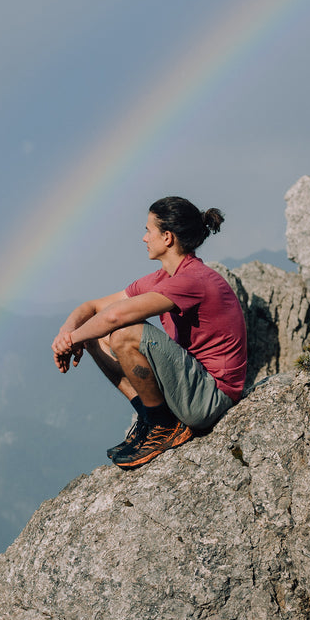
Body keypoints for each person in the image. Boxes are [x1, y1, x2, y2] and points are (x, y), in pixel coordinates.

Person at [52, 197, 247, 469]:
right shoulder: (162, 279)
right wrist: (66, 333)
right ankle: (149, 418)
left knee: (123, 333)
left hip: (211, 398)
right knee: (96, 334)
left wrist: (71, 341)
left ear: (167, 237)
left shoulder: (193, 280)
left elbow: (115, 315)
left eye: (148, 230)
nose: (144, 238)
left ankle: (163, 426)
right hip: (192, 386)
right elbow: (93, 306)